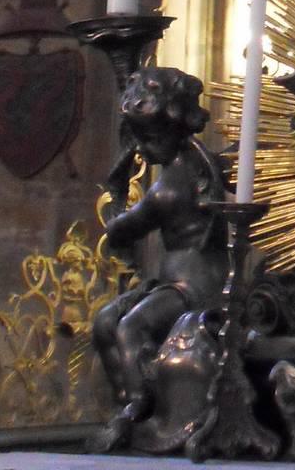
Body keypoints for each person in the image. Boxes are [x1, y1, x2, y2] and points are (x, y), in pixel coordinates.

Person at [92, 67, 228, 451]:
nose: (142, 149)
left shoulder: (171, 185)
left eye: (149, 139)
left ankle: (140, 405)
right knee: (105, 320)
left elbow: (125, 229)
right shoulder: (194, 162)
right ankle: (126, 401)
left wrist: (115, 203)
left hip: (196, 287)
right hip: (172, 283)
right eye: (138, 138)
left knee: (130, 328)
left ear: (175, 128)